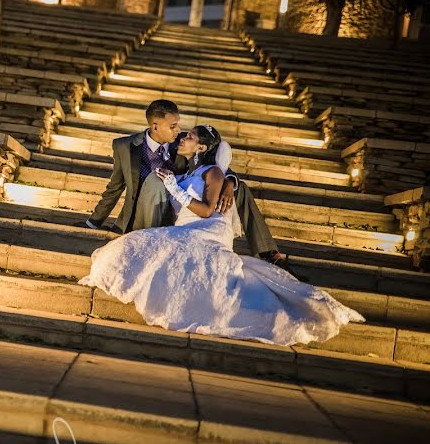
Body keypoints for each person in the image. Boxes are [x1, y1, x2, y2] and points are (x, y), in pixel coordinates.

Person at [78, 125, 362, 346]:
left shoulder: (208, 168)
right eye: (178, 131)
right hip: (175, 221)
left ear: (201, 145)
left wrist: (229, 180)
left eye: (186, 134)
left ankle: (268, 254)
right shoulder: (160, 153)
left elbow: (208, 190)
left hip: (202, 224)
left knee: (237, 195)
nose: (179, 136)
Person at [79, 100, 288, 268]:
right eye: (173, 126)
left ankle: (267, 251)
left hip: (176, 213)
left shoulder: (181, 143)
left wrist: (228, 182)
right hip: (142, 217)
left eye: (178, 124)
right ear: (155, 126)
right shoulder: (124, 146)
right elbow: (114, 188)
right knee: (156, 180)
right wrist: (92, 223)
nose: (178, 130)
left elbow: (211, 162)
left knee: (238, 187)